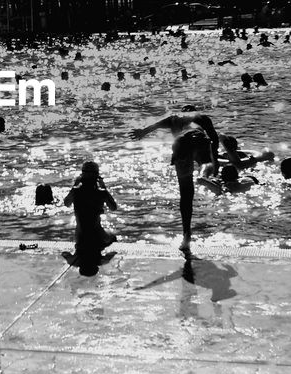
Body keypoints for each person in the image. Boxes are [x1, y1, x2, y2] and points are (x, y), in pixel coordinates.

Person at [131, 113, 219, 250]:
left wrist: (142, 132)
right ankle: (203, 176)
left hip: (180, 143)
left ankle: (186, 236)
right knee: (206, 163)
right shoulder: (202, 118)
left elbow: (153, 126)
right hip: (198, 137)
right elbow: (215, 139)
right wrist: (215, 162)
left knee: (186, 195)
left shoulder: (174, 118)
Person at [63, 161, 118, 276]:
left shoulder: (76, 191)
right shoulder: (101, 192)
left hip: (80, 237)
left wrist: (74, 186)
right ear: (97, 177)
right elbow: (113, 207)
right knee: (113, 237)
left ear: (82, 176)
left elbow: (66, 203)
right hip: (97, 236)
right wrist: (104, 188)